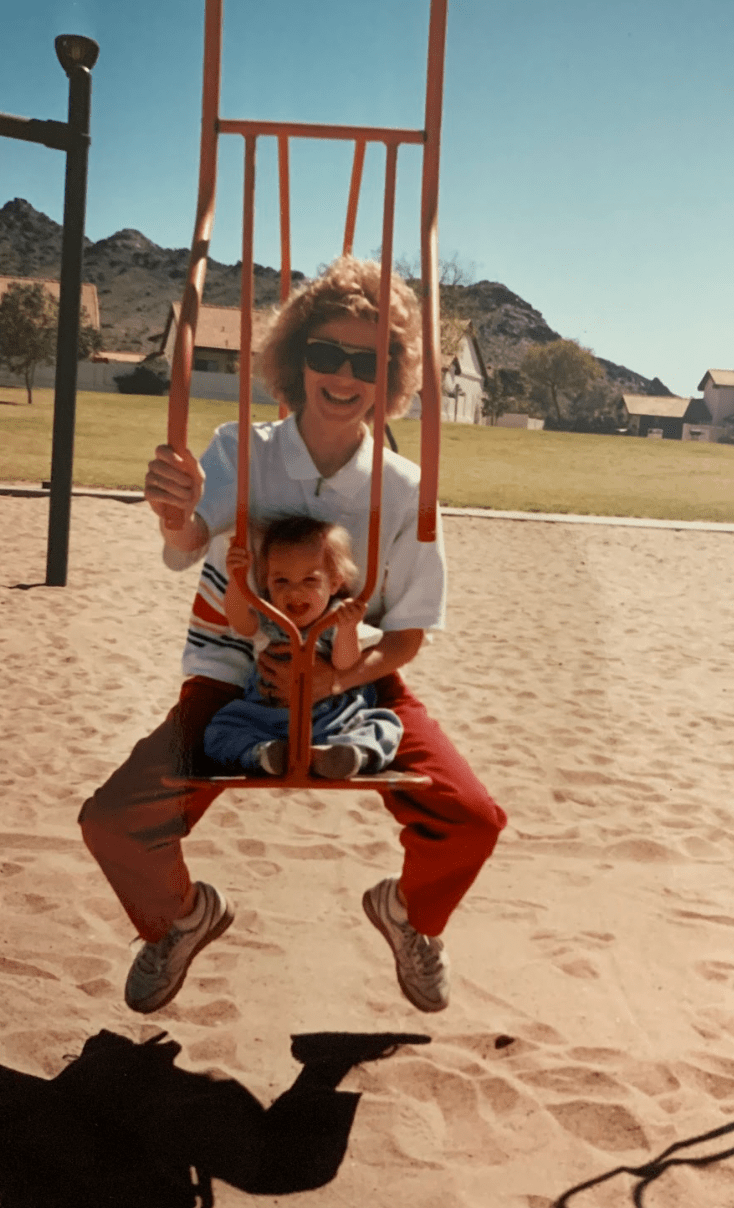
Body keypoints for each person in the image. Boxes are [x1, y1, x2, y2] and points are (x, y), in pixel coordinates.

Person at [78, 255, 507, 1017]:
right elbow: (185, 542)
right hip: (235, 670)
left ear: (393, 375)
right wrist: (171, 506)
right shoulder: (241, 450)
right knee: (114, 820)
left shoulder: (404, 490)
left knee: (471, 818)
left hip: (353, 680)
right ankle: (182, 918)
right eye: (326, 354)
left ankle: (410, 915)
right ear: (295, 358)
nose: (343, 376)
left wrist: (339, 679)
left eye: (366, 361)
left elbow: (407, 634)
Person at [203, 516, 403, 778]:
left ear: (333, 583)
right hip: (268, 715)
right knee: (221, 728)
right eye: (281, 581)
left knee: (383, 725)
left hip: (335, 718)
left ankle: (347, 755)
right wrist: (237, 581)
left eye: (309, 581)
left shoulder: (337, 617)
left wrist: (347, 629)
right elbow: (240, 622)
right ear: (266, 583)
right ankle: (267, 754)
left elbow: (345, 663)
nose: (294, 592)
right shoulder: (269, 616)